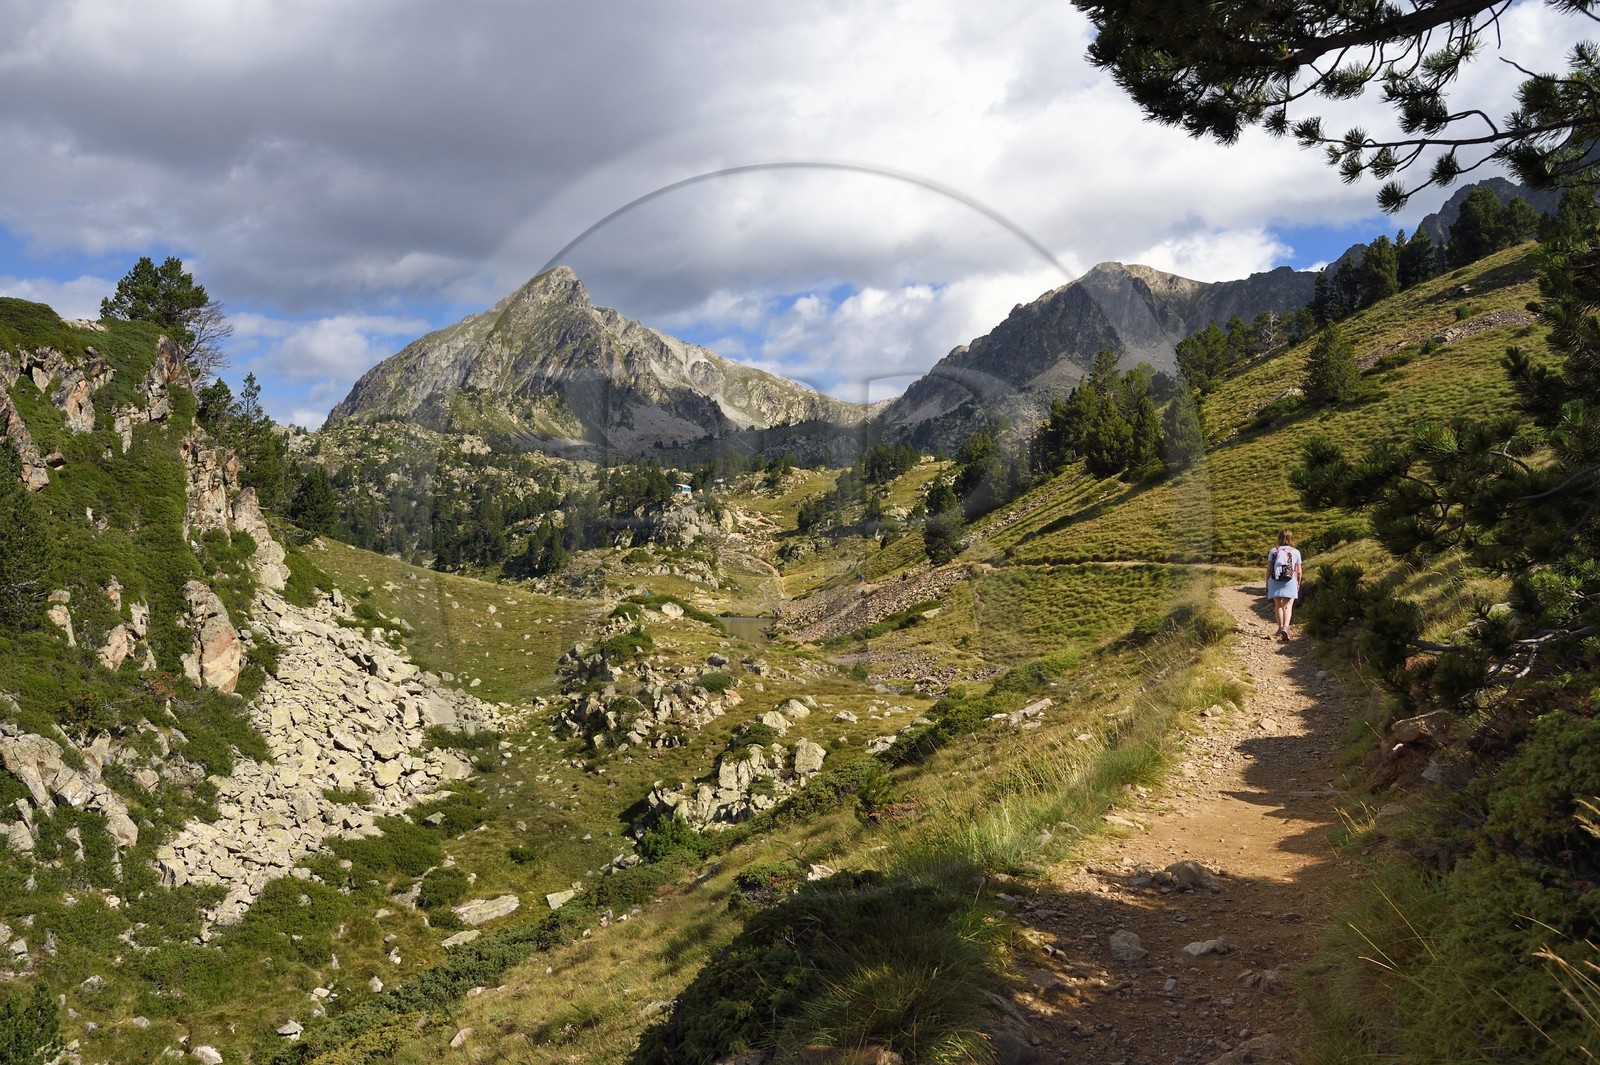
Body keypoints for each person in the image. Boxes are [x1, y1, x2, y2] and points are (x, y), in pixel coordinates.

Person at [1265, 529, 1303, 641]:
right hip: (1290, 580)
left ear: (1279, 538)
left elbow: (1269, 569)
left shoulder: (1273, 551)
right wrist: (1298, 583)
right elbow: (1299, 571)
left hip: (1275, 579)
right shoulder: (1296, 552)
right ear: (1291, 538)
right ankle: (1286, 627)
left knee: (1278, 605)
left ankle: (1280, 627)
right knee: (1288, 606)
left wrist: (1267, 582)